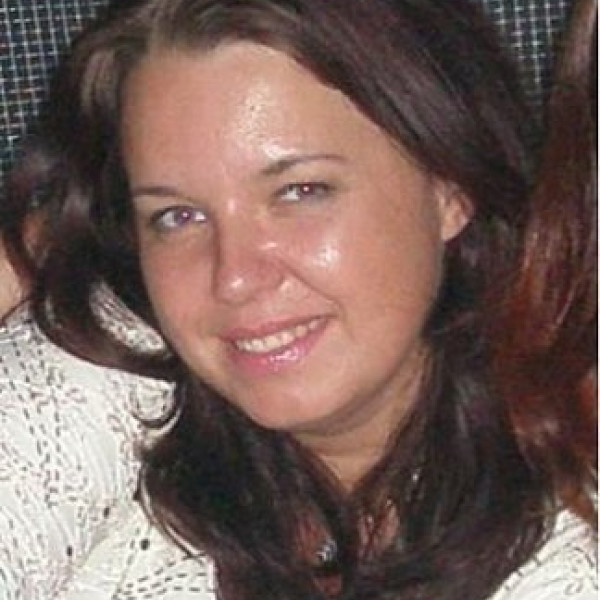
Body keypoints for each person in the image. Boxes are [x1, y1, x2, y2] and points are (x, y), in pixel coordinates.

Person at [0, 0, 596, 599]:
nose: (235, 276)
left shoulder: (568, 541)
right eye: (177, 216)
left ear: (450, 186)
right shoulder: (100, 376)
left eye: (300, 191)